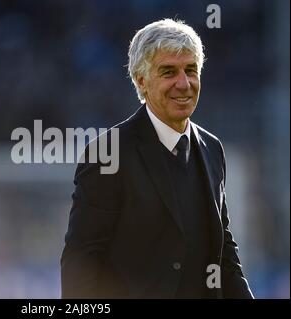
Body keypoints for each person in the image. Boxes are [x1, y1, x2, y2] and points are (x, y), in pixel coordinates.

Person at [60, 18, 254, 299]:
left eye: (191, 70)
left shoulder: (213, 149)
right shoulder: (109, 151)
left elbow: (224, 257)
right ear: (142, 80)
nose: (184, 83)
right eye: (168, 72)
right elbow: (82, 259)